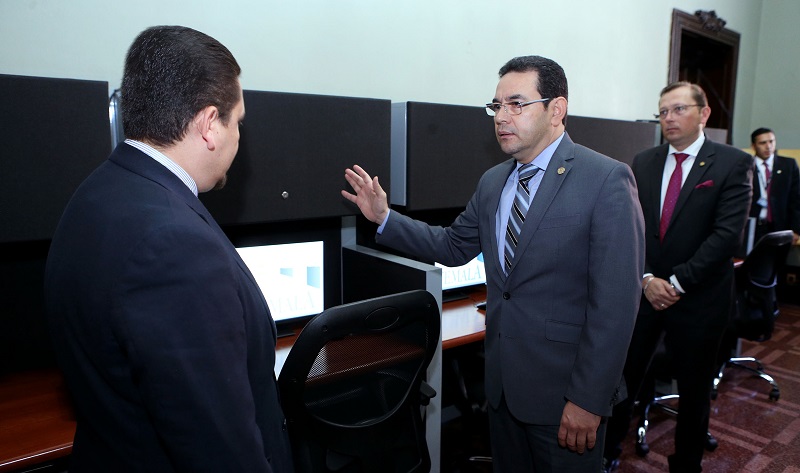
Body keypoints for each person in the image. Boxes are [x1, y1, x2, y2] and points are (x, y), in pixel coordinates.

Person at [342, 55, 645, 472]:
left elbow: (615, 307)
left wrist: (588, 400)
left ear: (556, 109)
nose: (501, 117)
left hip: (566, 396)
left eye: (516, 104)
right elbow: (451, 246)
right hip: (503, 390)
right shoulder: (493, 181)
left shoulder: (605, 179)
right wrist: (384, 218)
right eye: (496, 106)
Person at [44, 26, 293, 472]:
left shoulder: (97, 194)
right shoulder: (174, 246)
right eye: (237, 122)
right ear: (209, 124)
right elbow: (219, 450)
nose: (239, 137)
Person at [603, 81, 753, 473]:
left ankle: (686, 463)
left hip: (700, 298)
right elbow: (633, 227)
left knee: (695, 390)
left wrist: (677, 283)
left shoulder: (733, 163)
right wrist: (648, 278)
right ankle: (608, 452)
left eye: (678, 109)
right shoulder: (644, 161)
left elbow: (726, 237)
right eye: (663, 111)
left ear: (703, 114)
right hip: (646, 293)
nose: (669, 118)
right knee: (623, 378)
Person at [748, 127, 800, 245]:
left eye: (771, 141)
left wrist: (796, 229)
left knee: (777, 262)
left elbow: (796, 200)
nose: (768, 146)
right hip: (753, 226)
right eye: (763, 143)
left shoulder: (788, 165)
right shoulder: (745, 166)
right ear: (753, 146)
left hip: (780, 227)